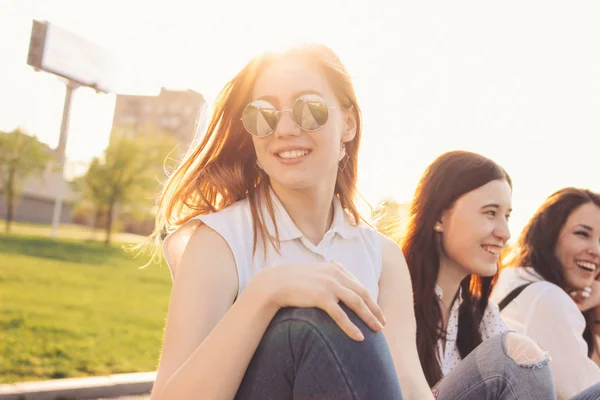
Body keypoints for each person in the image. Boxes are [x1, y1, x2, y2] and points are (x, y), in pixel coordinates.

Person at [146, 44, 433, 400]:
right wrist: (267, 293)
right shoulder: (219, 241)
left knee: (509, 363)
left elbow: (407, 382)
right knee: (318, 320)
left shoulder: (383, 257)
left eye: (308, 109)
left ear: (348, 123)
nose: (283, 129)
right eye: (262, 114)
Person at [401, 150, 556, 399]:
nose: (505, 233)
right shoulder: (391, 296)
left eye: (507, 216)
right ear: (439, 217)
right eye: (490, 212)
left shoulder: (481, 315)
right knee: (516, 353)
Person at [492, 188, 600, 400]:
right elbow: (585, 390)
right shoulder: (546, 297)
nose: (596, 250)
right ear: (549, 236)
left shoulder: (514, 279)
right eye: (582, 234)